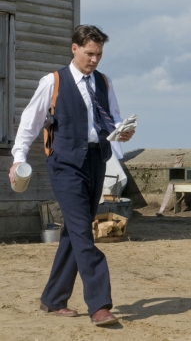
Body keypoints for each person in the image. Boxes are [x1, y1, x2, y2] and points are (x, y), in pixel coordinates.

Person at [9, 25, 135, 326]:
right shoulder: (52, 82)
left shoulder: (104, 82)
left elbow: (113, 118)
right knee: (82, 231)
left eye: (99, 54)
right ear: (74, 48)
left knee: (73, 233)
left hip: (96, 159)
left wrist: (122, 133)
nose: (94, 60)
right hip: (65, 164)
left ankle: (52, 298)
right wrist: (18, 158)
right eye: (89, 53)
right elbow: (29, 122)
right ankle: (100, 305)